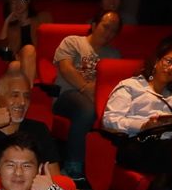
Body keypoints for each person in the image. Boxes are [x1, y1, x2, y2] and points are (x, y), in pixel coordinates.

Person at [102, 40, 172, 177]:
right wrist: (143, 125)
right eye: (168, 61)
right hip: (136, 143)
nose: (171, 68)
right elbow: (110, 120)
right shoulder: (131, 86)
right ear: (157, 61)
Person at [51, 11, 122, 179]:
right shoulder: (73, 42)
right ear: (94, 25)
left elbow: (112, 83)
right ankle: (72, 166)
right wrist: (86, 88)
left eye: (114, 30)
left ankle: (107, 168)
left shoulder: (114, 55)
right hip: (67, 95)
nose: (109, 33)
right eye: (106, 27)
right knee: (87, 109)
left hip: (98, 99)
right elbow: (66, 69)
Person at [0, 72, 60, 176]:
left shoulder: (39, 129)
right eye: (15, 95)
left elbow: (55, 176)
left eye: (26, 96)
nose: (22, 102)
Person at [0, 0, 51, 84]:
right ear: (9, 7)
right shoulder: (11, 28)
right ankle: (27, 91)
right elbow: (1, 48)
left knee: (28, 50)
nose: (17, 3)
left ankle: (25, 90)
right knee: (14, 66)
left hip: (38, 61)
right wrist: (6, 22)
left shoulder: (43, 18)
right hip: (19, 62)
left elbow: (50, 43)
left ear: (28, 1)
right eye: (13, 1)